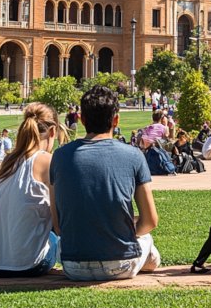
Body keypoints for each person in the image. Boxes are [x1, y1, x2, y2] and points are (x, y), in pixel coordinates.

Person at [50, 86, 161, 281]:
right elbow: (151, 221)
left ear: (82, 119)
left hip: (73, 266)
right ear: (116, 120)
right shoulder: (133, 155)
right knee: (147, 239)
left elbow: (58, 225)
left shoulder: (59, 156)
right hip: (120, 265)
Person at [0, 103, 67, 277]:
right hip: (28, 263)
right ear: (53, 131)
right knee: (57, 236)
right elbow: (58, 222)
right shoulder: (47, 160)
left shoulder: (9, 161)